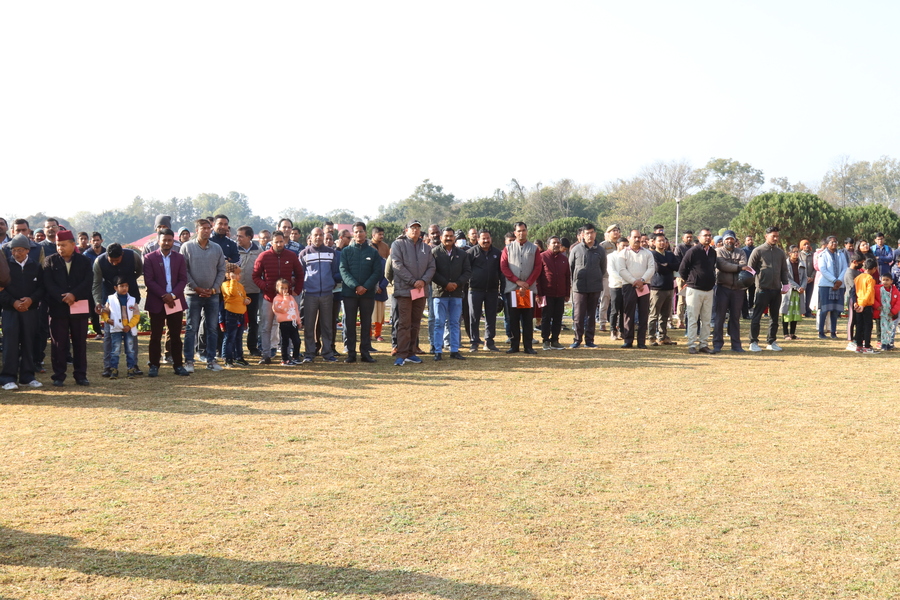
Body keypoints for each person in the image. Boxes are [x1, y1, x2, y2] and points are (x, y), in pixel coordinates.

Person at [43, 230, 92, 386]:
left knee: (80, 343)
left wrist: (74, 295)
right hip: (58, 308)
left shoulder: (84, 261)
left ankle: (81, 375)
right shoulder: (50, 261)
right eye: (58, 245)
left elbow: (88, 281)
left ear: (72, 244)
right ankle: (58, 376)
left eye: (63, 245)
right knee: (58, 344)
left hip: (79, 307)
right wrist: (63, 297)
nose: (60, 248)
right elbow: (48, 283)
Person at [252, 231, 304, 365]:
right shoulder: (263, 256)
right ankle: (266, 355)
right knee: (266, 327)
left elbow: (300, 274)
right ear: (271, 242)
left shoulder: (291, 256)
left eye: (281, 241)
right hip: (269, 298)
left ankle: (287, 356)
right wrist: (265, 286)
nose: (279, 244)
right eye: (276, 242)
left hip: (286, 298)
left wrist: (296, 291)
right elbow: (255, 275)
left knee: (288, 328)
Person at [181, 218, 227, 372]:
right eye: (203, 228)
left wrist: (213, 289)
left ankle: (211, 360)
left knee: (212, 328)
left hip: (212, 295)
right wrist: (196, 288)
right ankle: (189, 361)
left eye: (209, 228)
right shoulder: (187, 247)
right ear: (197, 230)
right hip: (193, 295)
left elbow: (222, 269)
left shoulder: (217, 248)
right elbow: (184, 271)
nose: (207, 230)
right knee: (191, 328)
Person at [143, 228, 190, 377]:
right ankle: (154, 365)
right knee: (155, 336)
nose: (167, 243)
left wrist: (173, 295)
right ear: (159, 241)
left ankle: (178, 365)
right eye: (164, 240)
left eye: (170, 240)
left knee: (175, 336)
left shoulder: (179, 258)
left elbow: (183, 279)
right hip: (157, 301)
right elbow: (149, 281)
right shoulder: (150, 258)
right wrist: (164, 295)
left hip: (175, 301)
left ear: (173, 241)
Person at [92, 242, 143, 377]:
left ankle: (133, 365)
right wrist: (98, 302)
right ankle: (108, 367)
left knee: (131, 333)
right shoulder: (99, 262)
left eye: (117, 260)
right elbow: (96, 283)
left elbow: (139, 272)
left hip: (130, 297)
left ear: (123, 254)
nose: (114, 263)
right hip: (110, 299)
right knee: (109, 335)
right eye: (111, 261)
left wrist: (127, 283)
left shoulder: (134, 257)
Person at [0, 234, 41, 390]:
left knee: (28, 343)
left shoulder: (36, 266)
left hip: (30, 310)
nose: (16, 253)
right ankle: (8, 377)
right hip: (10, 311)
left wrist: (31, 300)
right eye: (14, 250)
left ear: (27, 250)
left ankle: (27, 376)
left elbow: (42, 288)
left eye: (20, 250)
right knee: (10, 344)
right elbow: (1, 290)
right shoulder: (5, 266)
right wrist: (13, 302)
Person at [391, 220, 435, 366]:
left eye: (417, 227)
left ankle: (411, 353)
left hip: (420, 290)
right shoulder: (398, 244)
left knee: (415, 323)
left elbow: (431, 266)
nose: (415, 230)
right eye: (412, 227)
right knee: (404, 323)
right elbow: (396, 265)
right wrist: (412, 281)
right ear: (406, 230)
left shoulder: (426, 247)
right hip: (404, 290)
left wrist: (423, 281)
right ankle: (401, 354)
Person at [340, 222, 383, 363]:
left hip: (367, 294)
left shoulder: (373, 252)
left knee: (366, 324)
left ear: (365, 233)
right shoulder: (346, 251)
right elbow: (343, 271)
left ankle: (365, 352)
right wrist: (356, 286)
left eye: (361, 231)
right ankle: (351, 353)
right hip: (350, 294)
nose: (359, 234)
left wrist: (365, 287)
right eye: (356, 231)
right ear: (353, 234)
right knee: (350, 324)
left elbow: (377, 272)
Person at [298, 227, 341, 363]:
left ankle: (327, 353)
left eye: (321, 235)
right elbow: (300, 274)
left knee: (327, 325)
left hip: (327, 294)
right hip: (310, 294)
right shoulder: (304, 253)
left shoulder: (331, 253)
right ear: (310, 237)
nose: (318, 237)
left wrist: (331, 283)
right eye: (315, 235)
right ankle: (309, 353)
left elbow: (335, 271)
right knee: (309, 325)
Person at [500, 222, 542, 355]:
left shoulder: (534, 249)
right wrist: (517, 281)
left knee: (528, 319)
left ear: (527, 231)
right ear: (515, 232)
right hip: (513, 289)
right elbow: (504, 267)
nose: (521, 233)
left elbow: (538, 267)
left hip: (528, 290)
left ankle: (528, 346)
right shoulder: (508, 248)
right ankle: (514, 345)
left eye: (523, 230)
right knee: (513, 318)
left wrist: (527, 283)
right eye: (519, 231)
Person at [748, 226, 789, 352]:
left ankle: (771, 341)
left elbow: (784, 270)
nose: (776, 238)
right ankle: (753, 342)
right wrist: (751, 283)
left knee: (774, 317)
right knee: (757, 316)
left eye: (777, 236)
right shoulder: (758, 251)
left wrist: (785, 284)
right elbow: (750, 269)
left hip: (776, 289)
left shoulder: (780, 253)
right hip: (762, 289)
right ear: (766, 236)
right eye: (773, 236)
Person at [678, 228, 717, 354]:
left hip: (708, 290)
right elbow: (682, 269)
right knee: (693, 319)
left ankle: (704, 344)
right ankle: (691, 344)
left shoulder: (713, 252)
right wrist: (691, 280)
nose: (708, 237)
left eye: (709, 235)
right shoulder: (693, 251)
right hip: (694, 289)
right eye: (705, 235)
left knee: (706, 320)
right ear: (699, 237)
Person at [568, 223, 606, 349]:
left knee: (591, 315)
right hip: (579, 287)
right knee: (578, 315)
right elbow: (570, 267)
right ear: (582, 235)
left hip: (594, 287)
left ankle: (589, 340)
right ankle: (577, 340)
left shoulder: (600, 250)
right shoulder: (576, 249)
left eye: (592, 232)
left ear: (595, 234)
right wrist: (572, 284)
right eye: (587, 233)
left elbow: (603, 268)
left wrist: (596, 278)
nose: (590, 235)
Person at [617, 229, 656, 349]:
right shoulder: (623, 253)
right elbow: (622, 270)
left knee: (644, 313)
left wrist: (642, 280)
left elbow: (651, 268)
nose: (637, 239)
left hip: (644, 285)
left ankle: (641, 341)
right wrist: (634, 281)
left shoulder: (647, 253)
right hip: (629, 285)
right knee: (629, 313)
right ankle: (628, 340)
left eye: (639, 237)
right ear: (629, 238)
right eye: (635, 237)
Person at [712, 230, 749, 353]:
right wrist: (738, 267)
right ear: (723, 240)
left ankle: (736, 345)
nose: (729, 241)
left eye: (731, 239)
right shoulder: (718, 251)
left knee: (735, 318)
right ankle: (717, 344)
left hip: (738, 289)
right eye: (727, 239)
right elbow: (722, 265)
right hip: (723, 288)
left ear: (735, 240)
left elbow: (744, 264)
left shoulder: (741, 252)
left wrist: (738, 267)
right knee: (720, 317)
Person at [467, 229, 502, 352]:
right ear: (478, 239)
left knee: (491, 317)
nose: (486, 241)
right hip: (475, 290)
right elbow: (466, 270)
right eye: (483, 238)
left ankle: (489, 341)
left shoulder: (497, 253)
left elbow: (500, 271)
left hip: (492, 290)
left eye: (488, 238)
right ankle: (474, 342)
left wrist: (501, 288)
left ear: (491, 239)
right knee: (474, 317)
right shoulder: (471, 253)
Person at [99, 277, 141, 379]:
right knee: (115, 350)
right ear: (115, 288)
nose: (124, 288)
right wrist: (107, 320)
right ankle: (114, 369)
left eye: (126, 286)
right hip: (116, 329)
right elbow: (105, 312)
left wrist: (129, 326)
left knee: (130, 350)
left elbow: (136, 315)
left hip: (129, 329)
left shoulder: (132, 300)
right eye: (121, 286)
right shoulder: (110, 299)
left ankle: (131, 369)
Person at [538, 236, 571, 350]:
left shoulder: (564, 259)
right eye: (554, 243)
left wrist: (567, 293)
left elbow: (567, 277)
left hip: (560, 294)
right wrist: (538, 294)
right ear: (548, 245)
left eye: (558, 243)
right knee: (546, 318)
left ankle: (555, 340)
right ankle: (545, 340)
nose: (556, 245)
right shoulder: (542, 257)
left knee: (558, 318)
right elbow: (538, 277)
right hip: (546, 293)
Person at [235, 226, 262, 358]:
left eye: (241, 236)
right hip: (236, 292)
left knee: (253, 320)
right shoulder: (234, 249)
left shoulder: (259, 251)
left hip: (253, 291)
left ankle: (252, 347)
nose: (238, 238)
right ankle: (236, 348)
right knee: (236, 321)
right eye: (237, 236)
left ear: (249, 237)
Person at [649, 234, 680, 346]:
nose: (662, 243)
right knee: (654, 314)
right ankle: (651, 337)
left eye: (664, 241)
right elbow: (658, 268)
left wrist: (667, 265)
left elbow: (677, 266)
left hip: (669, 287)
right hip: (657, 287)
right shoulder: (652, 254)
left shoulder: (670, 254)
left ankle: (663, 337)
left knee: (665, 315)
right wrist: (669, 266)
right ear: (654, 242)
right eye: (660, 241)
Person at [816, 236, 848, 339]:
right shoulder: (822, 255)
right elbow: (823, 269)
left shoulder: (841, 254)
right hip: (826, 285)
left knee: (835, 310)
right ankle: (821, 332)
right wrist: (834, 280)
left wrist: (839, 281)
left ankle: (833, 332)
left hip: (839, 285)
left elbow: (845, 268)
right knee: (824, 310)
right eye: (832, 242)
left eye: (835, 241)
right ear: (827, 244)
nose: (834, 243)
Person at [780, 245, 807, 341]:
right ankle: (785, 334)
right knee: (786, 312)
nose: (796, 253)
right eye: (794, 252)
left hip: (799, 292)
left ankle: (792, 334)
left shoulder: (802, 263)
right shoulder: (785, 264)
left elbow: (805, 277)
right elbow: (786, 278)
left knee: (796, 312)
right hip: (788, 291)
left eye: (797, 251)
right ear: (789, 253)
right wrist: (797, 287)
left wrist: (803, 287)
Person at [273, 278, 302, 365]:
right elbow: (282, 309)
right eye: (282, 288)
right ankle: (285, 359)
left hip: (293, 322)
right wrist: (285, 299)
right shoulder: (277, 299)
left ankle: (295, 357)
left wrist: (298, 321)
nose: (284, 290)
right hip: (284, 323)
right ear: (277, 288)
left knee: (297, 341)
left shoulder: (291, 298)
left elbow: (295, 310)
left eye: (286, 288)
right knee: (285, 342)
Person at [852, 258, 879, 354]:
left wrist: (855, 302)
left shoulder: (857, 277)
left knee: (859, 325)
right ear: (874, 268)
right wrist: (863, 305)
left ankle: (859, 345)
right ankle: (867, 346)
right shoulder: (870, 279)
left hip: (858, 304)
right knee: (868, 326)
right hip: (866, 305)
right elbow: (869, 292)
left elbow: (853, 291)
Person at [598, 225, 621, 333]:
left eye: (617, 230)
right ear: (608, 233)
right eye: (613, 231)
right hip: (606, 276)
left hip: (620, 277)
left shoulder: (621, 244)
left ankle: (618, 324)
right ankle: (602, 322)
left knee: (618, 301)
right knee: (605, 299)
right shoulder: (603, 245)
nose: (616, 232)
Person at [875, 273, 900, 351]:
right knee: (883, 328)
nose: (885, 282)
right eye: (883, 280)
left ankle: (889, 343)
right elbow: (873, 298)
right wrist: (877, 306)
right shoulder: (878, 289)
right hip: (882, 313)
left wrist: (893, 311)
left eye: (887, 280)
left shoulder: (895, 290)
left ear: (891, 281)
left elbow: (898, 302)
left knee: (890, 328)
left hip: (891, 314)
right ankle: (883, 344)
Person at [799, 239, 816, 317]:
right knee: (801, 296)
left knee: (809, 296)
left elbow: (815, 267)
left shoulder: (813, 255)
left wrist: (812, 277)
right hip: (801, 279)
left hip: (811, 280)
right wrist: (805, 277)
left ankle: (808, 312)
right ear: (801, 246)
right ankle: (800, 311)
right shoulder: (799, 255)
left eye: (807, 244)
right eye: (804, 244)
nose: (806, 246)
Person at [741, 234, 756, 319]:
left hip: (754, 275)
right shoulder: (742, 251)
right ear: (745, 242)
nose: (750, 241)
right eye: (748, 240)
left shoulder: (756, 250)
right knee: (743, 295)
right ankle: (745, 313)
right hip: (744, 276)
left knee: (752, 293)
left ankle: (751, 307)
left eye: (751, 240)